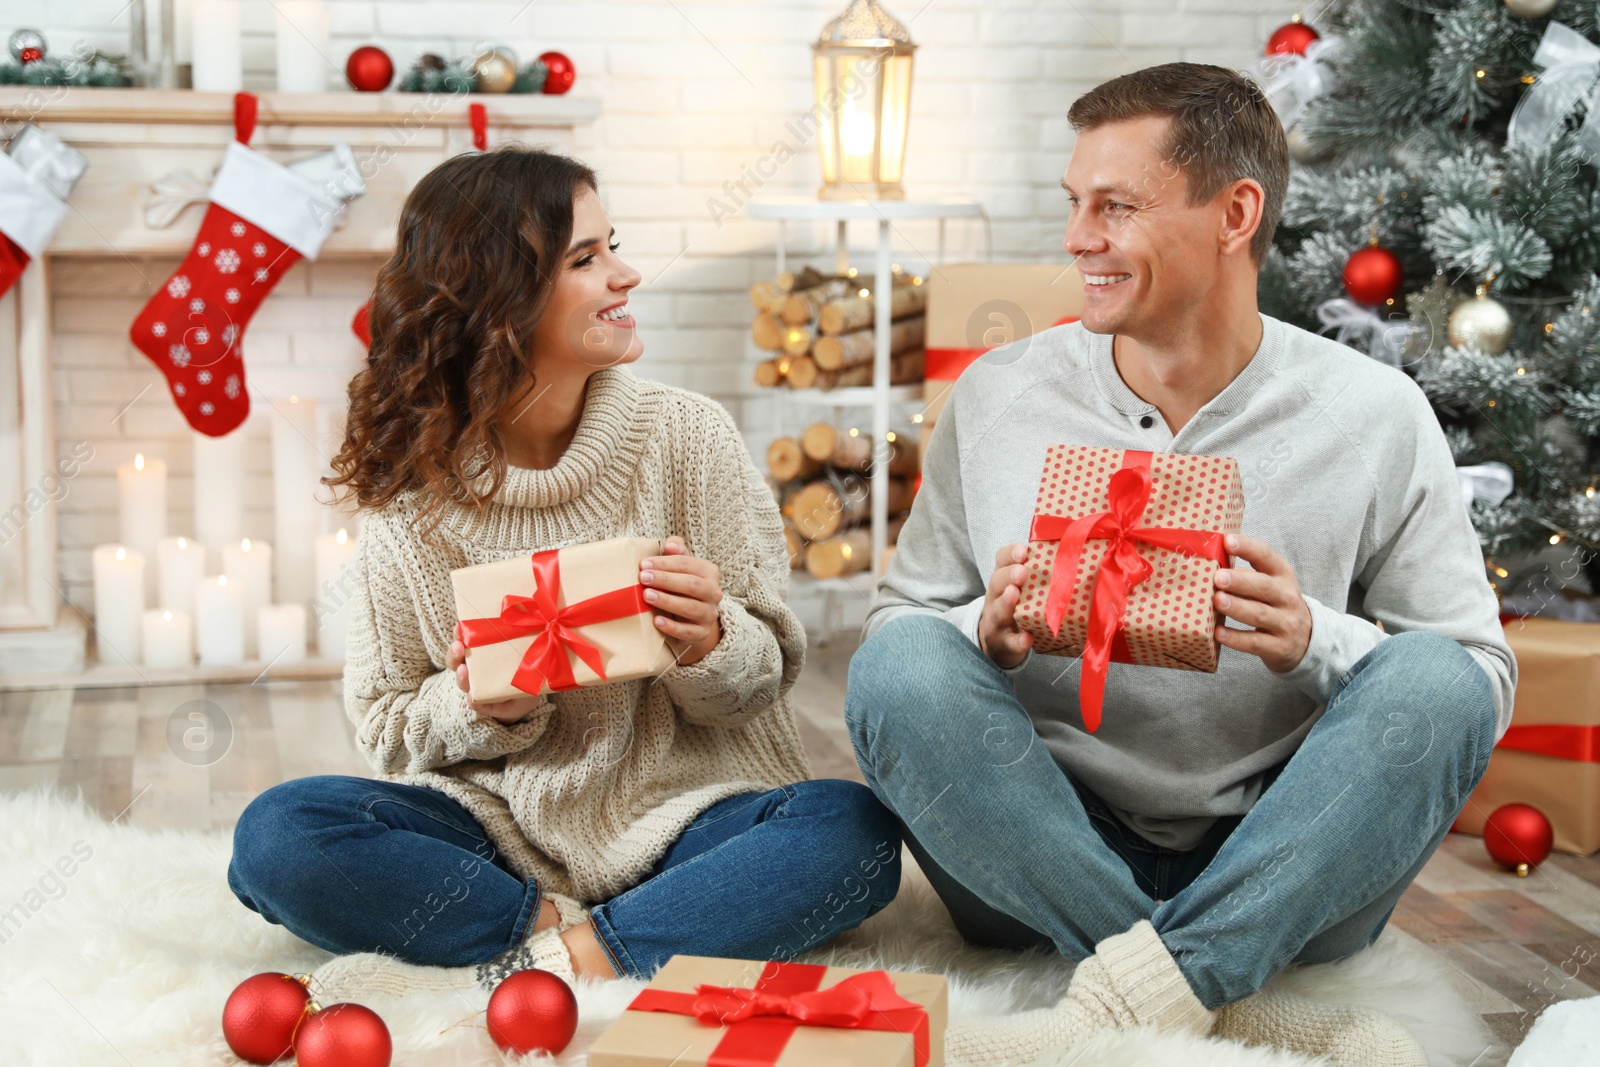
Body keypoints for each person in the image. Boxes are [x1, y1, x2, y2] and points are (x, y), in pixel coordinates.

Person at [845, 63, 1513, 1067]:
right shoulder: (997, 397)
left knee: (1434, 680)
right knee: (897, 669)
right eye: (1075, 205)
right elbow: (900, 629)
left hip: (1283, 857)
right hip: (1035, 848)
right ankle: (1227, 999)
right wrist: (978, 623)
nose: (1078, 239)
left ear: (1234, 211)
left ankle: (1141, 988)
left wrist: (1320, 639)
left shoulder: (1373, 412)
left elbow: (1475, 678)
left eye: (1115, 208)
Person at [226, 146, 901, 1000]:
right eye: (587, 258)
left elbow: (766, 677)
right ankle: (576, 933)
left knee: (855, 833)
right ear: (500, 301)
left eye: (611, 244)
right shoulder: (412, 505)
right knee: (279, 835)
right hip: (498, 835)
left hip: (695, 817)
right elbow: (390, 729)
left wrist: (714, 641)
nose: (626, 274)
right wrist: (474, 706)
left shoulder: (688, 437)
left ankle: (575, 955)